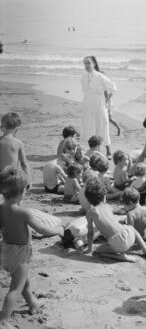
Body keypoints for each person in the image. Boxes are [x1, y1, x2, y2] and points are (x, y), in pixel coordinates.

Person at [0, 167, 64, 328]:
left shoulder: (1, 208)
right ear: (22, 192)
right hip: (20, 253)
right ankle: (3, 319)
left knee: (22, 280)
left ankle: (32, 303)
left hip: (6, 249)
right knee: (15, 289)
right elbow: (42, 229)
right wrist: (58, 230)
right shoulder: (24, 212)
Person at [84, 177, 146, 262]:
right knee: (132, 228)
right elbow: (113, 219)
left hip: (119, 243)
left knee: (97, 251)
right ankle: (145, 249)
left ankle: (120, 256)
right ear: (104, 197)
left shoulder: (90, 212)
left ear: (88, 200)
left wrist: (89, 249)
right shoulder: (108, 206)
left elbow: (90, 233)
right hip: (129, 236)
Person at [81, 56, 117, 160]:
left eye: (88, 63)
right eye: (85, 63)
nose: (86, 65)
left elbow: (113, 87)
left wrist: (107, 100)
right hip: (87, 105)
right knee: (90, 127)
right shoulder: (83, 76)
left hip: (99, 105)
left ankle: (108, 151)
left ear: (94, 64)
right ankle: (94, 151)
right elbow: (86, 91)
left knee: (103, 127)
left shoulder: (100, 76)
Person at [0, 112, 31, 188]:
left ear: (2, 127)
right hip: (11, 177)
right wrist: (28, 180)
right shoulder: (18, 143)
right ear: (17, 129)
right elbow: (24, 164)